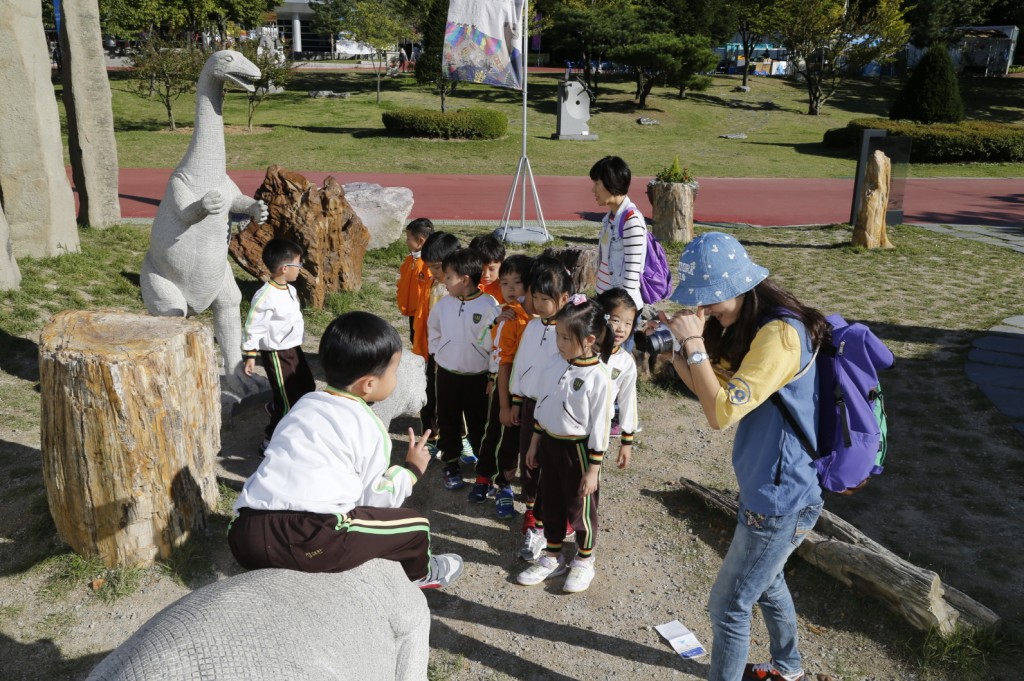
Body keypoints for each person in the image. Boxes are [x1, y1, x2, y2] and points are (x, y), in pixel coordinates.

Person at [652, 232, 826, 681]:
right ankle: (789, 669)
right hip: (768, 485)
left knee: (729, 604)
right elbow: (713, 398)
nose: (704, 312)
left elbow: (721, 414)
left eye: (710, 302)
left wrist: (696, 347)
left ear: (740, 286)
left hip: (780, 497)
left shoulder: (781, 336)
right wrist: (678, 355)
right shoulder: (750, 325)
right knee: (766, 582)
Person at [229, 311, 464, 589]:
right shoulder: (368, 424)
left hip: (245, 534)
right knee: (416, 526)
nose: (396, 379)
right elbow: (372, 500)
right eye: (394, 371)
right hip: (314, 536)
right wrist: (411, 472)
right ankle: (422, 573)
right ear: (369, 384)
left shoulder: (302, 405)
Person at [517, 296, 613, 593]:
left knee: (580, 507)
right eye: (558, 335)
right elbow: (542, 407)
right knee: (551, 502)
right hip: (549, 445)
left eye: (565, 338)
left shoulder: (598, 378)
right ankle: (552, 556)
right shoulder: (554, 364)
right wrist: (534, 442)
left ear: (589, 340)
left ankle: (584, 559)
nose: (558, 343)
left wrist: (593, 470)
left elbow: (601, 426)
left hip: (578, 452)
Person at [509, 256, 574, 561]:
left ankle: (556, 518)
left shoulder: (569, 331)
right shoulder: (534, 327)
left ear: (563, 299)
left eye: (545, 299)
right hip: (531, 405)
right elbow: (521, 366)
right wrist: (516, 400)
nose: (537, 303)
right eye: (534, 296)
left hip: (558, 410)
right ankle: (532, 513)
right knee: (530, 461)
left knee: (556, 464)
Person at [427, 248, 500, 490]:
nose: (444, 281)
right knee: (447, 420)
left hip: (477, 377)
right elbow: (433, 329)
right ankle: (450, 464)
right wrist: (438, 353)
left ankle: (483, 470)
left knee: (480, 424)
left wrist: (492, 374)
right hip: (447, 374)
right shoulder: (443, 305)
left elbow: (496, 343)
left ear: (465, 279)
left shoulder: (490, 305)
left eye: (449, 277)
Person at [470, 254, 533, 517]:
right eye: (505, 283)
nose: (509, 289)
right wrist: (496, 322)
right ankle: (483, 476)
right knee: (493, 430)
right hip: (500, 381)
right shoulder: (496, 312)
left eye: (516, 283)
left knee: (513, 439)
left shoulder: (532, 317)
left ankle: (504, 484)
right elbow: (483, 342)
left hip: (525, 386)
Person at [242, 238, 316, 455]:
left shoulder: (290, 289)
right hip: (275, 352)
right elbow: (253, 325)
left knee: (306, 386)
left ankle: (275, 407)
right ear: (285, 268)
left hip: (293, 348)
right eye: (299, 264)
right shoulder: (265, 296)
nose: (300, 269)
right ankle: (269, 440)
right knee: (287, 397)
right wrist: (250, 354)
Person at [415, 231, 461, 447]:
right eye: (430, 267)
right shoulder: (431, 285)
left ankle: (457, 438)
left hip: (452, 355)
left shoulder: (462, 291)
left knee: (449, 399)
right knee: (429, 395)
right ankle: (431, 437)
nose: (432, 272)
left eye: (435, 267)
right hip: (430, 350)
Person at [590, 156, 647, 312]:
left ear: (611, 184)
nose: (593, 190)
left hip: (620, 308)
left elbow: (632, 274)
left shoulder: (631, 220)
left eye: (597, 184)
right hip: (606, 301)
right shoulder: (610, 218)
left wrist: (621, 312)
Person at [596, 288, 639, 466]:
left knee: (588, 480)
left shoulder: (626, 363)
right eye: (616, 320)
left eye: (628, 323)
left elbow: (628, 401)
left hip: (599, 430)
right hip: (567, 425)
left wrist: (626, 441)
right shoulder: (581, 350)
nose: (622, 329)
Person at [397, 218, 434, 343]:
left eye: (408, 238)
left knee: (421, 340)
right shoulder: (410, 260)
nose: (406, 241)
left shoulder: (427, 265)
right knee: (414, 338)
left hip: (422, 313)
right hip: (413, 311)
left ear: (420, 241)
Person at [469, 234, 506, 304]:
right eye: (480, 269)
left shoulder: (506, 288)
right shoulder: (467, 287)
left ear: (501, 265)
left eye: (492, 269)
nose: (486, 275)